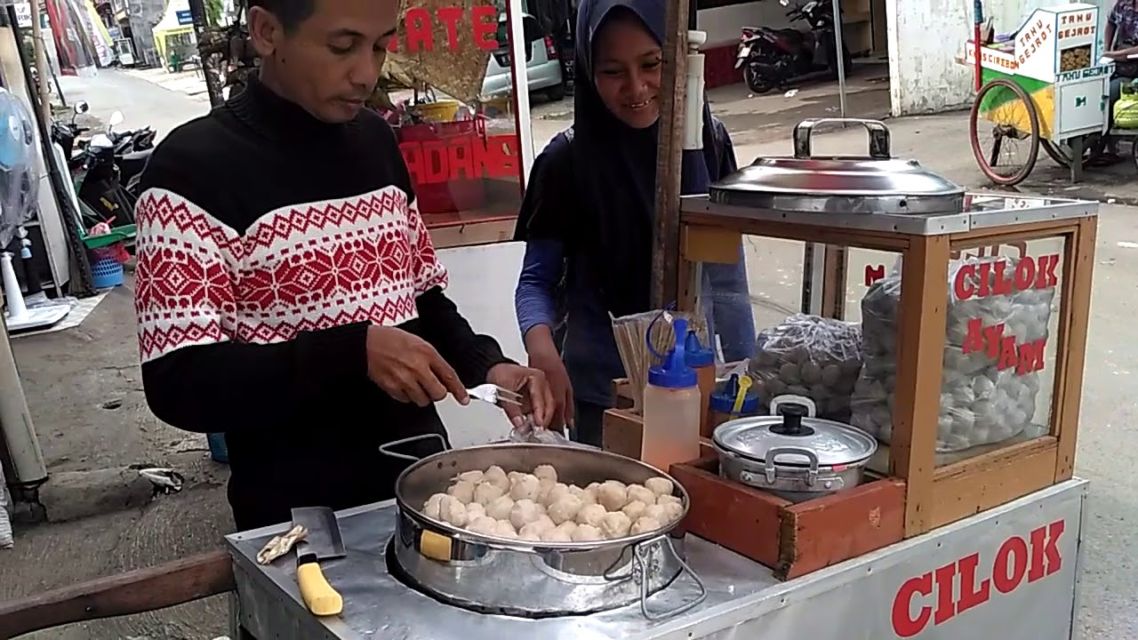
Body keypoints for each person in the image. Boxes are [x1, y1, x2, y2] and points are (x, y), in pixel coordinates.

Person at [133, 0, 553, 531]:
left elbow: (419, 298)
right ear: (267, 32)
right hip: (296, 520)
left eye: (380, 46)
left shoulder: (376, 143)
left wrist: (488, 367)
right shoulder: (192, 169)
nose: (365, 73)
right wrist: (351, 352)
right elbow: (178, 382)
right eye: (342, 46)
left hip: (426, 489)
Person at [513, 0, 756, 447]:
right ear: (587, 70)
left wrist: (748, 371)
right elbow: (535, 282)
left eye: (652, 64)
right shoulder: (565, 163)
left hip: (696, 389)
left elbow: (727, 277)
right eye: (611, 71)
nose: (637, 87)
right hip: (601, 398)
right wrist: (542, 351)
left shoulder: (706, 143)